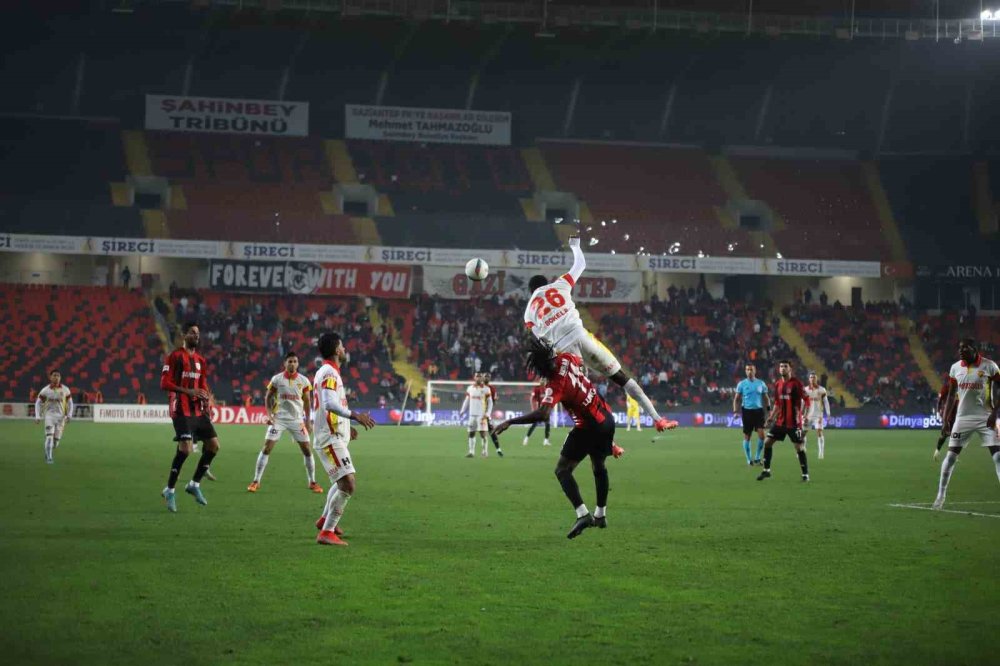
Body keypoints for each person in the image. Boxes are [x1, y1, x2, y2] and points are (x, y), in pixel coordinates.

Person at [524, 236, 675, 433]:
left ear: (530, 292)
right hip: (582, 336)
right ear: (545, 283)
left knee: (581, 397)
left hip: (564, 351)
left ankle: (602, 439)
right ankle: (657, 419)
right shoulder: (558, 285)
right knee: (622, 378)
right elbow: (581, 264)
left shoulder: (528, 312)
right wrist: (575, 246)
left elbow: (541, 343)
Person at [495, 337, 630, 539]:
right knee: (599, 466)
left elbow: (543, 414)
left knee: (562, 470)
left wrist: (510, 422)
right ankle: (600, 515)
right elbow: (580, 364)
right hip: (606, 419)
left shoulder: (555, 384)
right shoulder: (567, 358)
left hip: (588, 427)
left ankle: (583, 514)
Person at [312, 332, 376, 546]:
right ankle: (327, 532)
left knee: (340, 480)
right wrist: (355, 416)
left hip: (334, 434)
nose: (346, 350)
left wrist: (348, 428)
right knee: (348, 484)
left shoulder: (328, 372)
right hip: (329, 437)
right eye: (343, 346)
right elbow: (329, 403)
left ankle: (324, 521)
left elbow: (330, 404)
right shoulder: (329, 373)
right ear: (337, 350)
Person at [932, 339, 1000, 510]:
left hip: (986, 417)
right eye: (959, 348)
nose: (961, 351)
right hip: (962, 419)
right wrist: (946, 419)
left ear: (974, 349)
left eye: (965, 348)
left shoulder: (989, 366)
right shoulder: (955, 368)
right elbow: (951, 394)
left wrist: (995, 413)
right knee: (950, 457)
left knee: (998, 457)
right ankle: (940, 496)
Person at [159, 322, 220, 512]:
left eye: (198, 334)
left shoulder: (201, 361)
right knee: (185, 450)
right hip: (180, 407)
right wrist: (188, 390)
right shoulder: (175, 356)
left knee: (213, 446)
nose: (196, 336)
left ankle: (194, 484)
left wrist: (206, 401)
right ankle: (169, 489)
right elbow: (164, 383)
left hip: (197, 410)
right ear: (184, 335)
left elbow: (202, 386)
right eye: (192, 333)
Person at [247, 352, 322, 494]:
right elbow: (268, 397)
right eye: (290, 361)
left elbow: (307, 402)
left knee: (307, 449)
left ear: (298, 364)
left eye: (295, 361)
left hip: (297, 419)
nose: (292, 364)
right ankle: (256, 481)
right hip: (279, 418)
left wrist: (308, 421)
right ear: (285, 363)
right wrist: (269, 415)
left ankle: (312, 481)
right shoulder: (277, 379)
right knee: (267, 448)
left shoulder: (304, 380)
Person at [756, 360, 810, 482]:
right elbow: (777, 403)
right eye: (781, 366)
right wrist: (771, 417)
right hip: (780, 422)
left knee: (799, 447)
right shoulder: (778, 384)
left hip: (794, 423)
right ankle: (766, 471)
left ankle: (805, 474)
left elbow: (807, 400)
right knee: (767, 442)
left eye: (785, 366)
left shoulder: (797, 384)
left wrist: (805, 416)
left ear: (790, 369)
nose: (782, 368)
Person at [733, 363, 769, 466]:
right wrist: (735, 411)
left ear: (755, 370)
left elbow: (766, 398)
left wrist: (769, 409)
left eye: (751, 369)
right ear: (745, 371)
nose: (749, 371)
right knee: (747, 436)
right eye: (747, 369)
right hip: (747, 412)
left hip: (758, 411)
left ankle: (757, 457)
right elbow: (736, 399)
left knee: (762, 436)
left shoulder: (761, 383)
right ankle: (749, 459)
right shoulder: (741, 384)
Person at [34, 370, 72, 464]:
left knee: (55, 442)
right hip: (49, 416)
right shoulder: (46, 390)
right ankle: (49, 458)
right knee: (49, 437)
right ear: (50, 377)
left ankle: (48, 450)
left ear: (60, 377)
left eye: (58, 375)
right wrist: (37, 416)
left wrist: (69, 415)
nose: (56, 377)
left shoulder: (65, 389)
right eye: (54, 375)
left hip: (61, 417)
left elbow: (70, 403)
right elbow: (38, 403)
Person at [459, 372, 493, 458]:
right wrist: (463, 410)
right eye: (477, 376)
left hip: (481, 415)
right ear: (474, 378)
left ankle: (485, 452)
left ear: (482, 378)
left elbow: (490, 402)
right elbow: (467, 400)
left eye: (480, 376)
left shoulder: (486, 389)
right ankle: (471, 452)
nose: (478, 378)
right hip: (472, 415)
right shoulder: (470, 388)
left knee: (483, 434)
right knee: (471, 433)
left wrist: (488, 413)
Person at [803, 372, 831, 460]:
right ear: (809, 379)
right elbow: (802, 402)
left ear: (816, 379)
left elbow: (826, 402)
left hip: (818, 415)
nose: (812, 379)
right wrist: (801, 413)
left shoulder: (822, 390)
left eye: (814, 377)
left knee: (819, 432)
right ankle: (802, 450)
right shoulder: (805, 390)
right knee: (803, 433)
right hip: (808, 415)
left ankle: (821, 452)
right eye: (811, 377)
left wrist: (828, 413)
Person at [933, 375, 958, 460]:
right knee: (945, 434)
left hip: (957, 414)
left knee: (955, 435)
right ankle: (937, 450)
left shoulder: (961, 387)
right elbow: (940, 400)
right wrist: (938, 412)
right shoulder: (946, 387)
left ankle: (952, 455)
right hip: (948, 415)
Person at [523, 378, 554, 446]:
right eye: (541, 380)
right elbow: (532, 398)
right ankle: (526, 438)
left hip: (546, 410)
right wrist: (533, 408)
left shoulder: (548, 389)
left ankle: (546, 440)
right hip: (539, 410)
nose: (542, 381)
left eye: (544, 380)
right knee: (534, 424)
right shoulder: (537, 389)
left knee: (547, 424)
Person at [482, 372, 504, 457]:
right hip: (477, 413)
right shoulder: (479, 387)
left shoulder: (492, 389)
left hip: (486, 413)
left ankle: (498, 450)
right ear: (483, 378)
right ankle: (473, 451)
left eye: (488, 377)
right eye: (485, 376)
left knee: (491, 431)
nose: (487, 378)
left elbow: (493, 402)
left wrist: (488, 412)